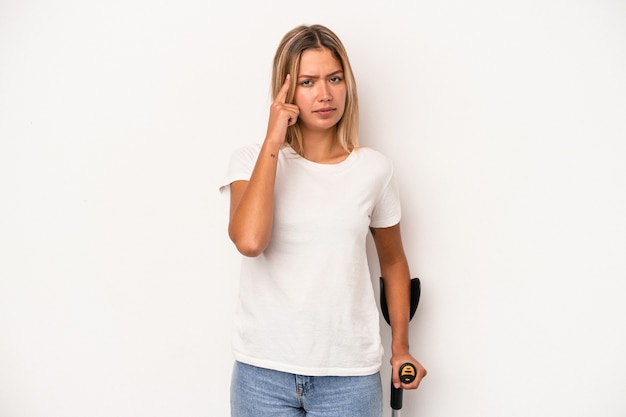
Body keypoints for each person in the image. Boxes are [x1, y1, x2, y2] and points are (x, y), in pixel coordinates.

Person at [220, 24, 426, 417]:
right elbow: (249, 241)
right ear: (286, 92)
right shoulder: (250, 161)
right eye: (307, 81)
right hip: (262, 374)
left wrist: (401, 346)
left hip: (348, 378)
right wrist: (272, 142)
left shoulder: (374, 169)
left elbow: (394, 262)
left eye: (334, 79)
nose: (324, 94)